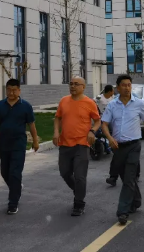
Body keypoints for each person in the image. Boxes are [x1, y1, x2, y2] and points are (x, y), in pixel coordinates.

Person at [101, 75, 144, 225]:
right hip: (118, 147)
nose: (127, 88)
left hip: (134, 145)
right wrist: (110, 138)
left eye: (129, 85)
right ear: (117, 88)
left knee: (129, 177)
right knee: (127, 177)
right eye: (124, 85)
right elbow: (104, 124)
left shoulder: (138, 103)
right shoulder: (112, 105)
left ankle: (122, 212)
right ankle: (136, 200)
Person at [0, 78, 39, 215]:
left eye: (14, 90)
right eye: (9, 90)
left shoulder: (26, 106)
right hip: (4, 143)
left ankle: (13, 203)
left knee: (15, 173)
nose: (11, 93)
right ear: (6, 90)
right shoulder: (0, 105)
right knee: (5, 172)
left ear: (19, 90)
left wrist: (35, 141)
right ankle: (16, 187)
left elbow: (31, 125)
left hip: (19, 144)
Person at [54, 76, 101, 216]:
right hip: (65, 144)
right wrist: (56, 132)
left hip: (82, 144)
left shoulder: (89, 103)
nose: (73, 86)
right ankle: (78, 190)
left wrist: (92, 131)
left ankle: (79, 203)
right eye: (71, 84)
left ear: (83, 87)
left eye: (76, 84)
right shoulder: (64, 101)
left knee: (80, 176)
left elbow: (97, 121)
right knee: (65, 173)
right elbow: (58, 117)